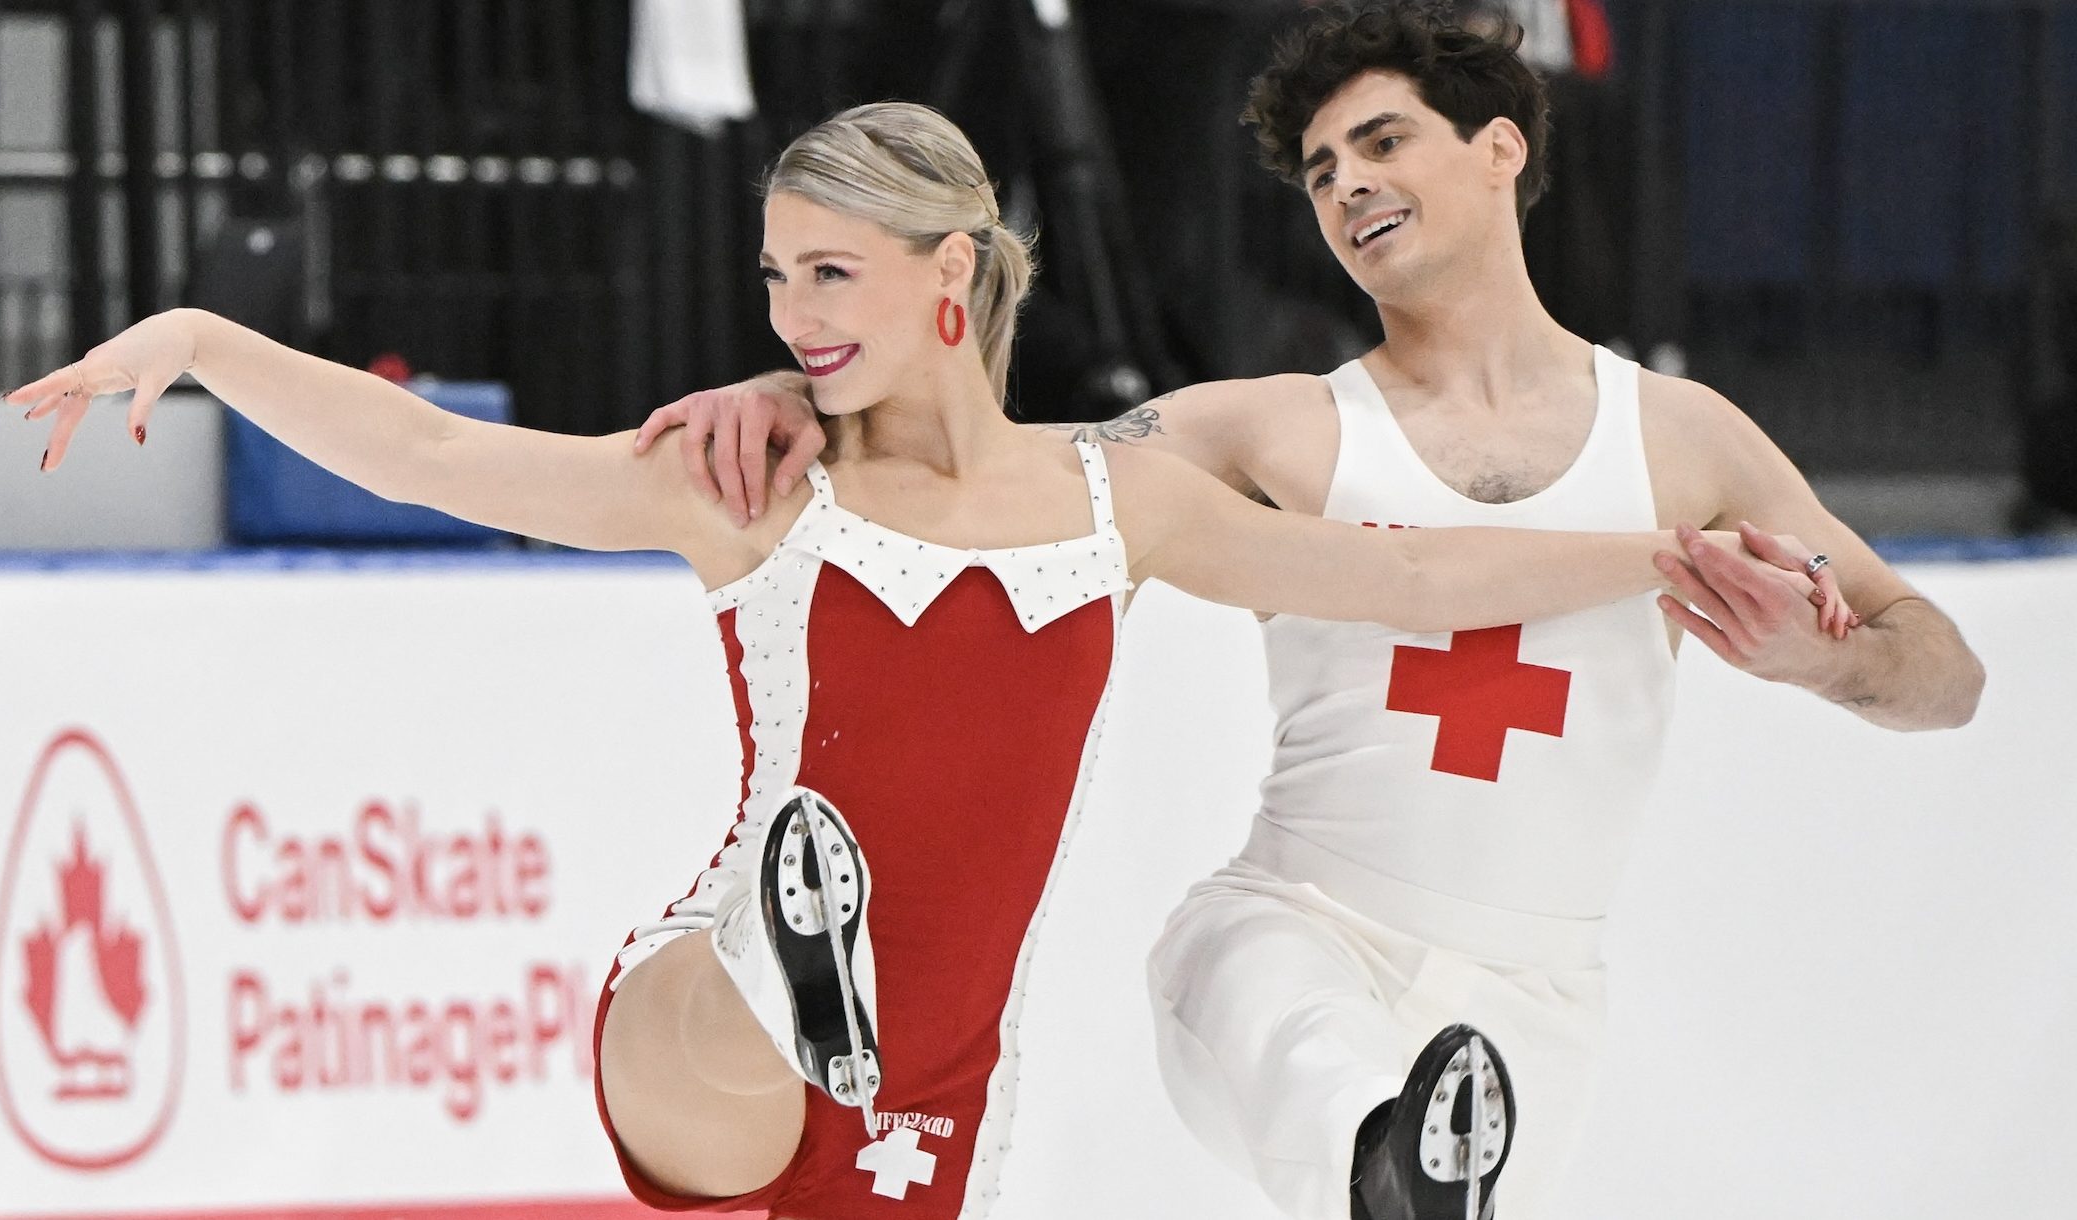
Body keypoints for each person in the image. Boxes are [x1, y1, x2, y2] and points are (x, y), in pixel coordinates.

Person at [10, 99, 1843, 1220]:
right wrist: (197, 338)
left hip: (942, 1091)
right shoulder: (753, 491)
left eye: (832, 279)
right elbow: (442, 461)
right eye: (776, 281)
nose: (794, 322)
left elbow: (1405, 570)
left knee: (894, 1096)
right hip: (704, 1045)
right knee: (731, 1027)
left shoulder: (1122, 507)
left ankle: (836, 968)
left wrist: (1661, 554)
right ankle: (785, 940)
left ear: (950, 278)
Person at [632, 6, 1983, 1219]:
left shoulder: (1688, 439)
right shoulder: (1268, 429)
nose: (1349, 188)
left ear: (1502, 149)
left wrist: (1827, 659)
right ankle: (1379, 1160)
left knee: (1441, 1166)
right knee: (1293, 1027)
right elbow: (996, 462)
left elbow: (1946, 673)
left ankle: (1403, 1175)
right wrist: (807, 391)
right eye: (1323, 172)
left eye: (1383, 142)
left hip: (1535, 1000)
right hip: (1292, 928)